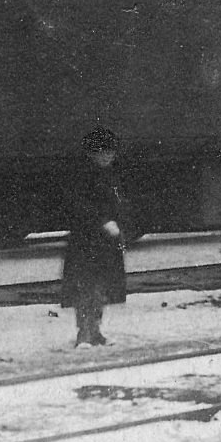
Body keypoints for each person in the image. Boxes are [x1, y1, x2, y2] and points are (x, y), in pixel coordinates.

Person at [61, 126, 128, 347]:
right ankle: (84, 334)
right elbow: (79, 206)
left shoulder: (110, 174)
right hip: (86, 241)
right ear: (92, 154)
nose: (109, 156)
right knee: (86, 288)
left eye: (111, 152)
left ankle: (96, 331)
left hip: (105, 243)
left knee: (101, 288)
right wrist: (104, 222)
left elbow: (118, 203)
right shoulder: (83, 175)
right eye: (103, 152)